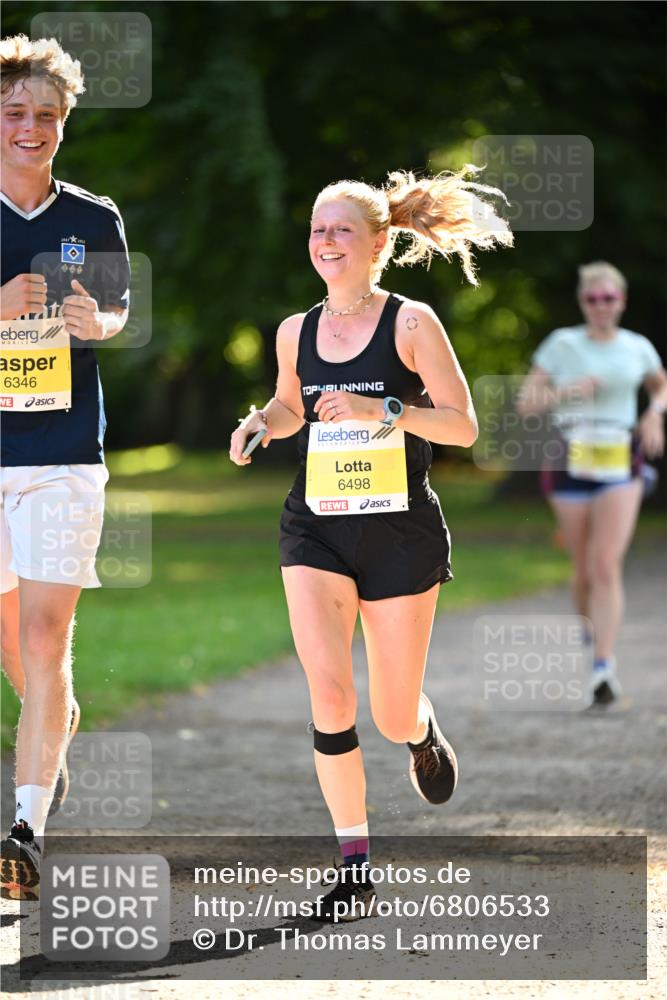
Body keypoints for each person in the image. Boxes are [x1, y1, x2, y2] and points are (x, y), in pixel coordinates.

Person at [229, 168, 512, 920]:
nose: (324, 241)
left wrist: (380, 408)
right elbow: (293, 406)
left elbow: (460, 425)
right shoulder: (296, 330)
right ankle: (354, 863)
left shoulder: (411, 323)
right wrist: (261, 421)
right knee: (328, 693)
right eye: (317, 229)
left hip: (398, 532)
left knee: (388, 713)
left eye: (340, 229)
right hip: (315, 525)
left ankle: (419, 731)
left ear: (377, 242)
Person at [0, 35, 130, 899]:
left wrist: (97, 322)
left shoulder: (95, 218)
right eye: (14, 112)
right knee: (18, 652)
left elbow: (118, 314)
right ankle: (54, 729)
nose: (30, 127)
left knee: (47, 637)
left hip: (61, 458)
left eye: (46, 114)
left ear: (64, 123)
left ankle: (24, 829)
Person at [518, 261, 666, 706]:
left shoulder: (637, 347)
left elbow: (661, 385)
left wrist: (654, 414)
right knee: (583, 568)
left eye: (609, 298)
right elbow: (526, 403)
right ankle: (590, 627)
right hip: (571, 455)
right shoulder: (562, 344)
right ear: (583, 302)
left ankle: (603, 667)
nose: (601, 306)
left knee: (605, 565)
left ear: (622, 301)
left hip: (620, 455)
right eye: (592, 299)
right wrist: (567, 392)